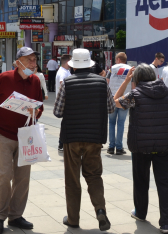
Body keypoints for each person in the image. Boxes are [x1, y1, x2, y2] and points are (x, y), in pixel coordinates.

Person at [0, 47, 44, 234]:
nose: (33, 63)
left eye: (34, 59)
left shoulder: (35, 81)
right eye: (29, 60)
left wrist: (36, 112)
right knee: (4, 175)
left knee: (23, 178)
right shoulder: (4, 78)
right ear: (18, 62)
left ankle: (15, 216)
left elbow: (39, 107)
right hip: (4, 135)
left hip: (26, 136)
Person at [113, 64, 168, 234]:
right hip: (165, 146)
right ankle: (165, 223)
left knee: (141, 181)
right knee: (164, 184)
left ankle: (141, 213)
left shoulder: (135, 95)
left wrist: (126, 80)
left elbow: (115, 101)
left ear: (138, 78)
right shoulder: (167, 93)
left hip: (141, 146)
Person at [53, 48, 113, 231]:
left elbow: (57, 112)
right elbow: (110, 108)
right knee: (94, 176)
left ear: (73, 66)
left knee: (72, 179)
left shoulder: (67, 83)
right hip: (94, 138)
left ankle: (73, 219)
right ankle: (100, 210)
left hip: (72, 138)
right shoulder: (103, 83)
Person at [106, 52, 133, 155]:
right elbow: (133, 84)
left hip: (113, 98)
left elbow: (107, 81)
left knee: (111, 122)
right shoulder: (130, 69)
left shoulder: (112, 68)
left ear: (118, 59)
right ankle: (119, 147)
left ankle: (111, 147)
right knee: (121, 123)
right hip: (125, 99)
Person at [55, 54, 72, 152]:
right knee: (65, 123)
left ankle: (63, 143)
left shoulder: (66, 71)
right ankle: (61, 143)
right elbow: (62, 83)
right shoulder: (62, 72)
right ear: (67, 62)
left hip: (66, 100)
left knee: (66, 123)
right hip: (65, 101)